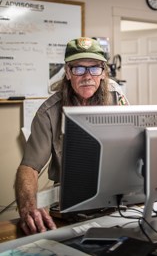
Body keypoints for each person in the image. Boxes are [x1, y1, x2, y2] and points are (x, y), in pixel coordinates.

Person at [14, 37, 129, 235]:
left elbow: (135, 146)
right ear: (67, 72)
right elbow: (29, 167)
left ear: (102, 72)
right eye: (79, 69)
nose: (87, 76)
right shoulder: (48, 113)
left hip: (117, 201)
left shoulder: (115, 98)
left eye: (94, 68)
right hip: (70, 209)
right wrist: (28, 205)